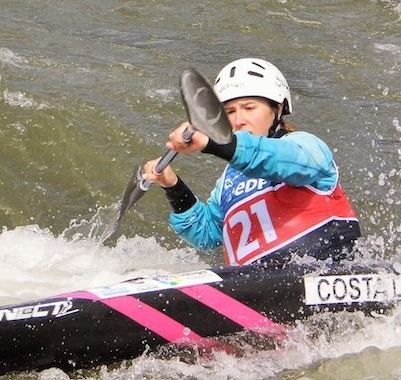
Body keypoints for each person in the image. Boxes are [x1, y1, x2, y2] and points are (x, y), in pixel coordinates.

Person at [142, 58, 361, 266]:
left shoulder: (306, 145)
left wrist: (212, 144)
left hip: (328, 276)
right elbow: (207, 234)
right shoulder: (228, 180)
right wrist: (172, 185)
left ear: (276, 109)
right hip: (258, 290)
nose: (238, 120)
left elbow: (278, 159)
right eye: (229, 111)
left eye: (249, 108)